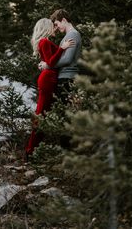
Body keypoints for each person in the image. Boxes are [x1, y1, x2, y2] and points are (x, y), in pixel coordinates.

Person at [25, 18, 75, 157]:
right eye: (52, 26)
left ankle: (33, 150)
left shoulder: (43, 42)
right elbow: (51, 62)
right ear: (46, 28)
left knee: (43, 115)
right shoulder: (45, 42)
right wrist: (62, 48)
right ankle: (30, 152)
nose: (55, 28)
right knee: (41, 115)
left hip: (49, 79)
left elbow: (48, 61)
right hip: (48, 79)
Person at [39, 9, 82, 104]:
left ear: (63, 20)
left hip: (68, 78)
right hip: (64, 77)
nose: (56, 27)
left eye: (57, 23)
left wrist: (49, 65)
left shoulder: (73, 34)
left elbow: (67, 59)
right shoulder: (68, 35)